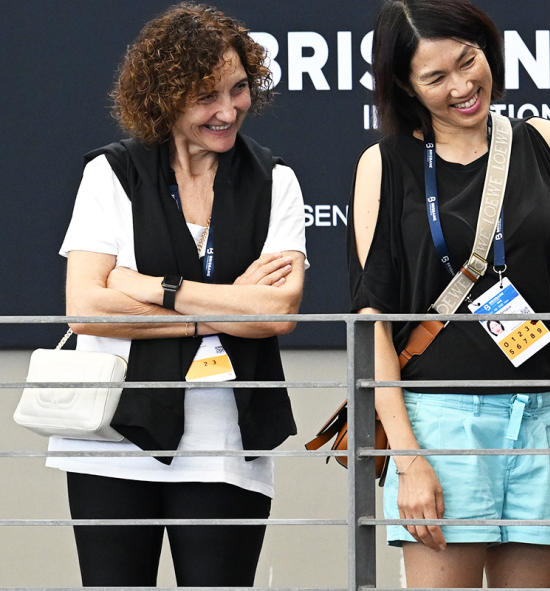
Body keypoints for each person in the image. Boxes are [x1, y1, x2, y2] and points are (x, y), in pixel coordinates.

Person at [53, 3, 307, 586]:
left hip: (228, 439)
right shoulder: (110, 175)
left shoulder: (277, 181)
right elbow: (86, 309)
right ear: (162, 98)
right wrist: (216, 314)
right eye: (204, 97)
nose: (227, 111)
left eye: (239, 88)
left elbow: (277, 313)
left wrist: (152, 288)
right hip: (113, 437)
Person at [347, 0, 550, 587]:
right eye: (435, 77)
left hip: (542, 419)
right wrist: (407, 459)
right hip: (439, 424)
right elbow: (371, 321)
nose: (462, 86)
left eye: (468, 60)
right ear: (405, 86)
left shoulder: (548, 144)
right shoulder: (384, 164)